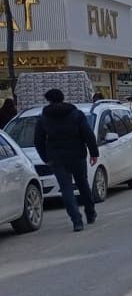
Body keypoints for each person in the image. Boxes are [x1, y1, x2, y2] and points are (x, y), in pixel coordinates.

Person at [34, 89, 98, 232]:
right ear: (63, 98)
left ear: (48, 100)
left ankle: (76, 221)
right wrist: (94, 153)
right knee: (82, 184)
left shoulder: (43, 118)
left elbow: (38, 141)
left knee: (66, 189)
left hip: (57, 158)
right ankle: (90, 213)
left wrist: (46, 158)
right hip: (77, 155)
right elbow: (88, 134)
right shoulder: (76, 114)